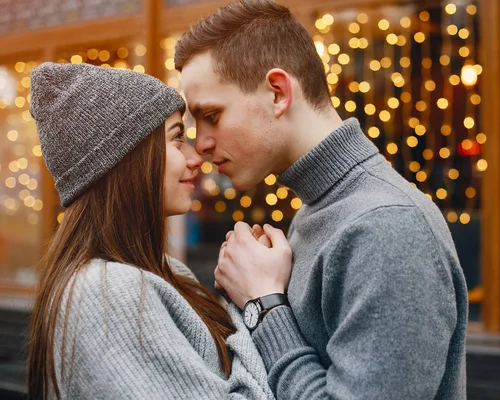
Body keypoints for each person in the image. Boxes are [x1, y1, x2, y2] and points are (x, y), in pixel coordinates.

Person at [174, 0, 469, 399]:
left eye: (211, 115)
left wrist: (264, 306)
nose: (202, 143)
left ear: (278, 93)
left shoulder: (388, 227)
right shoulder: (321, 210)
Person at [27, 62, 274, 400]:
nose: (195, 157)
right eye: (177, 138)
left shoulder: (165, 272)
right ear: (129, 158)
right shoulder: (108, 294)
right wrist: (259, 301)